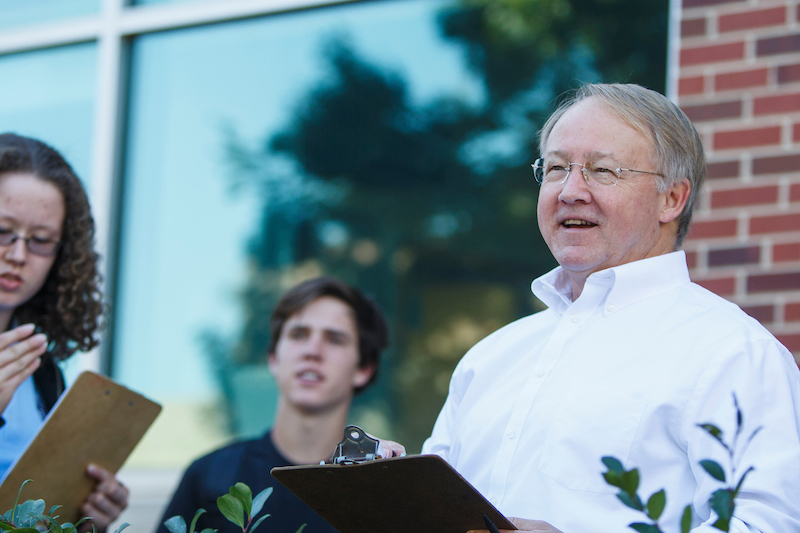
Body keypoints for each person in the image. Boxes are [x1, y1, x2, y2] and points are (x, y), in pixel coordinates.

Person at [415, 84, 800, 533]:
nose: (570, 191)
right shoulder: (490, 357)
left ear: (671, 199)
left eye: (602, 170)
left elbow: (767, 525)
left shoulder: (733, 353)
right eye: (557, 168)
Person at [156, 276, 388, 533]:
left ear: (364, 368)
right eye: (298, 335)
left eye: (334, 339)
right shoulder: (208, 477)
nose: (312, 350)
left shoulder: (379, 492)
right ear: (273, 358)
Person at [0, 133, 128, 531]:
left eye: (41, 241)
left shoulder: (45, 375)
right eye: (2, 231)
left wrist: (81, 518)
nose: (18, 255)